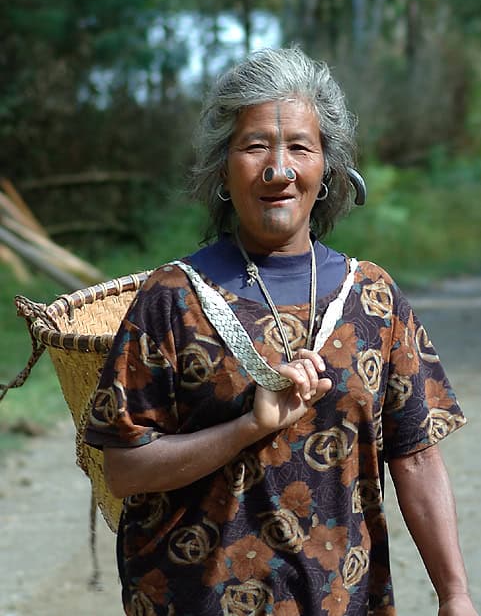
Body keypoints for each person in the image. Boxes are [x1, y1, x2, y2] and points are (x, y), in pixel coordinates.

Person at [84, 47, 477, 615]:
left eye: (299, 146)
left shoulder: (373, 299)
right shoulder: (171, 300)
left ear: (329, 168)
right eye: (254, 146)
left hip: (344, 601)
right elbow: (123, 469)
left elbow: (415, 458)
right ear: (224, 167)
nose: (278, 169)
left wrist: (455, 594)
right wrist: (246, 426)